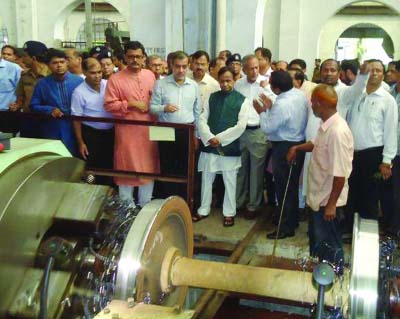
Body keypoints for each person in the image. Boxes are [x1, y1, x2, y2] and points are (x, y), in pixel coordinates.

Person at [286, 84, 353, 270]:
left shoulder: (338, 131)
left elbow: (340, 175)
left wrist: (331, 205)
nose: (311, 106)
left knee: (330, 246)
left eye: (313, 103)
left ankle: (333, 284)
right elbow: (316, 144)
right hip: (319, 198)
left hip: (328, 203)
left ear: (319, 104)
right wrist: (297, 148)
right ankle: (321, 279)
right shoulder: (326, 126)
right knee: (320, 245)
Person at [105, 41, 159, 209]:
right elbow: (109, 105)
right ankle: (125, 216)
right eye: (131, 56)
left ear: (144, 58)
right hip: (128, 133)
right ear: (125, 58)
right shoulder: (115, 79)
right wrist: (131, 104)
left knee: (148, 170)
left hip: (149, 131)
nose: (135, 60)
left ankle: (145, 210)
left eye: (138, 56)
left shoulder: (150, 75)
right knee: (126, 169)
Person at [255, 70, 308, 239]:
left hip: (285, 147)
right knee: (290, 186)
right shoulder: (299, 95)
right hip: (297, 143)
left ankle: (286, 227)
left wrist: (262, 111)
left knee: (283, 187)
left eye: (271, 85)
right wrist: (271, 107)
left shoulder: (282, 103)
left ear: (276, 88)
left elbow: (268, 127)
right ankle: (291, 220)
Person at [195, 67, 249, 226]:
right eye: (222, 81)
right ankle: (203, 209)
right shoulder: (211, 97)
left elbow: (241, 125)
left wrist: (220, 138)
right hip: (210, 144)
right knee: (206, 178)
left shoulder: (242, 100)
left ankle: (229, 212)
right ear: (218, 80)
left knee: (230, 180)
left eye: (228, 80)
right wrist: (209, 137)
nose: (225, 84)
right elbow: (202, 119)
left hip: (229, 146)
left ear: (235, 80)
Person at [346, 59, 398, 222]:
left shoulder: (387, 100)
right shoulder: (356, 95)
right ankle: (350, 230)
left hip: (373, 155)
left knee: (369, 197)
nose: (374, 73)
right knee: (351, 193)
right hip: (352, 154)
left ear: (383, 74)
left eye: (378, 70)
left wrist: (387, 161)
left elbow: (391, 131)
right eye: (370, 70)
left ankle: (367, 237)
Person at [150, 51, 201, 199]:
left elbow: (197, 112)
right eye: (177, 66)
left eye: (184, 67)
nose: (181, 70)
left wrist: (196, 135)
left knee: (186, 167)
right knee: (166, 167)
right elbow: (152, 107)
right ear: (171, 65)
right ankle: (168, 201)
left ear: (188, 66)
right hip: (163, 128)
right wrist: (163, 108)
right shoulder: (160, 84)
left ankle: (185, 202)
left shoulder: (194, 86)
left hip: (187, 129)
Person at [234, 54, 275, 219]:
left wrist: (266, 89)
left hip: (258, 131)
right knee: (240, 169)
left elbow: (273, 104)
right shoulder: (238, 84)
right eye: (250, 68)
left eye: (256, 67)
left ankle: (254, 205)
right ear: (243, 69)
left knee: (256, 172)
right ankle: (238, 202)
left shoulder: (266, 84)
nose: (254, 71)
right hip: (241, 131)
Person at [30, 49, 83, 155]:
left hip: (76, 127)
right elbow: (33, 105)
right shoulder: (43, 84)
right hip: (52, 127)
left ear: (67, 63)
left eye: (62, 62)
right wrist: (50, 110)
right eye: (55, 63)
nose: (59, 65)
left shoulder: (78, 81)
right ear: (48, 65)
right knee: (55, 158)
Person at [71, 58, 114, 185]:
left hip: (111, 132)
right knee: (93, 168)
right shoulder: (79, 92)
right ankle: (93, 193)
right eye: (93, 73)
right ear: (84, 72)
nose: (97, 76)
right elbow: (76, 119)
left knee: (111, 165)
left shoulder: (109, 85)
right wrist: (80, 142)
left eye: (99, 72)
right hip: (91, 134)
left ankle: (110, 194)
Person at [13, 41, 51, 137]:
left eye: (25, 56)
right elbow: (21, 97)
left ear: (33, 58)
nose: (22, 60)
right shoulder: (25, 76)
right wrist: (17, 105)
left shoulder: (51, 75)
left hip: (47, 119)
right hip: (28, 119)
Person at [0, 45, 22, 134]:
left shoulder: (15, 68)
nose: (5, 56)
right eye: (3, 53)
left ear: (15, 57)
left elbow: (21, 90)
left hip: (7, 112)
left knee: (7, 142)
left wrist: (17, 104)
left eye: (9, 54)